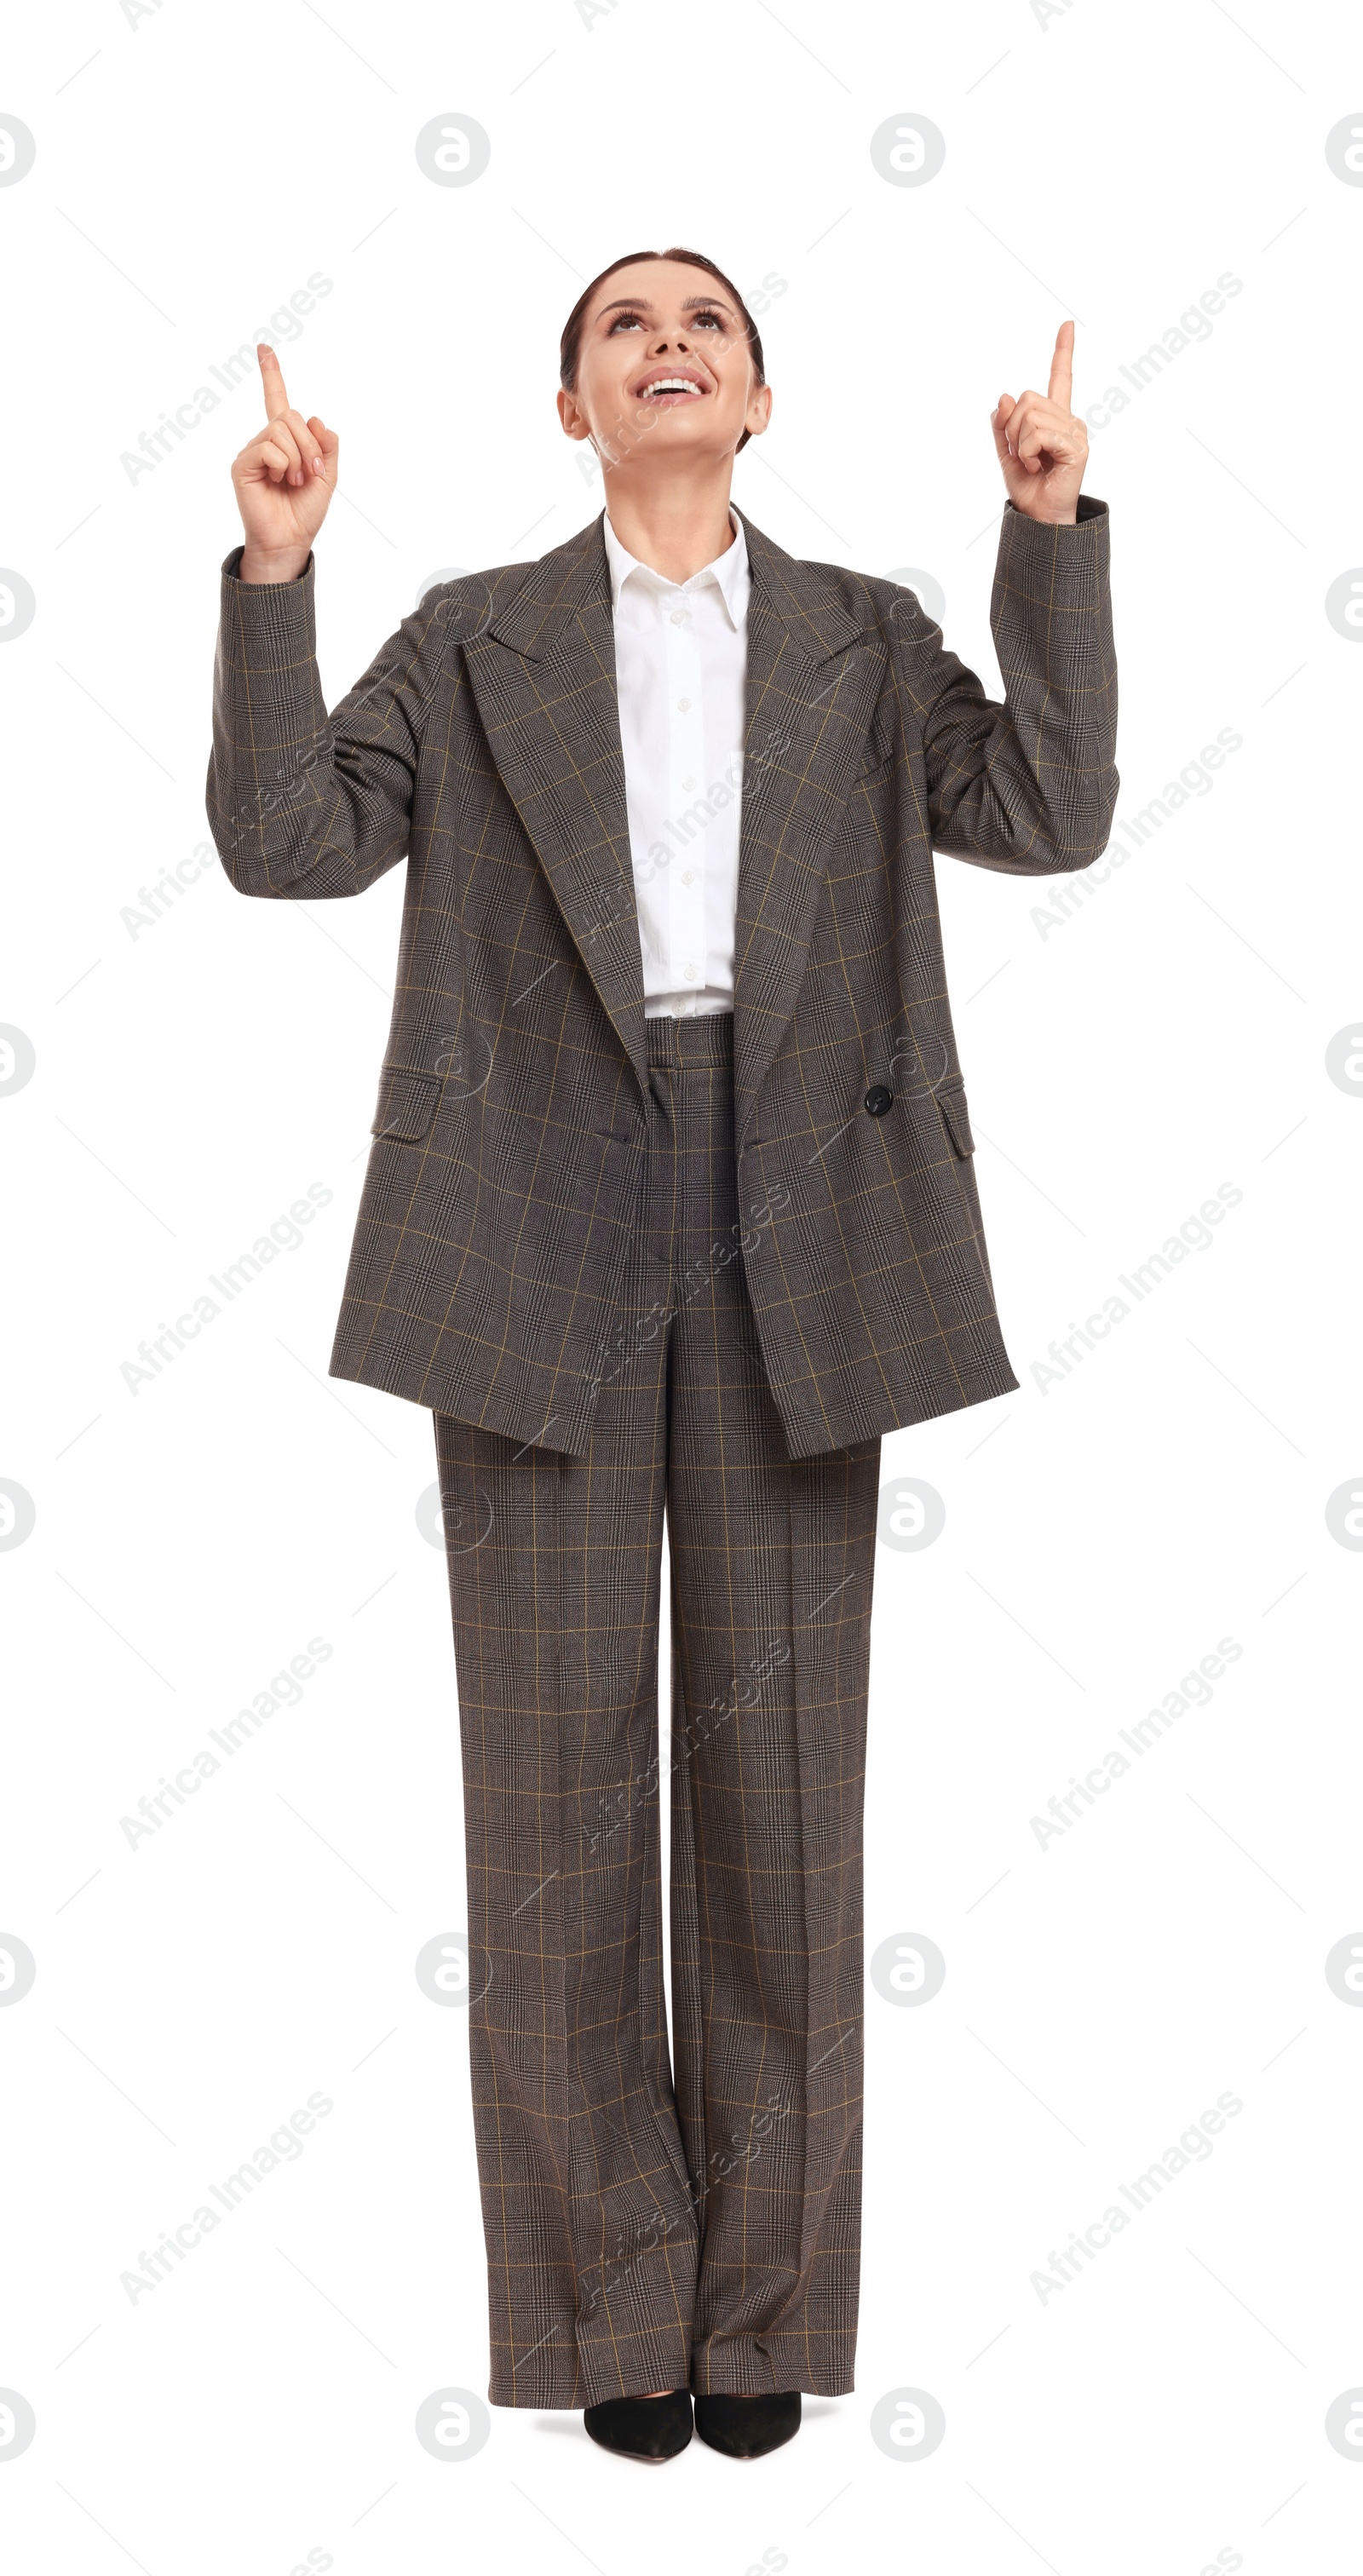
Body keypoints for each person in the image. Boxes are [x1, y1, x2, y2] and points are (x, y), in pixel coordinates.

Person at [208, 244, 1118, 2465]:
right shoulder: (466, 637)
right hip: (532, 1219)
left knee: (784, 1807)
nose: (669, 342)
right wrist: (272, 575)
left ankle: (765, 2318)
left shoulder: (866, 642)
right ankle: (619, 2311)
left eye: (703, 318)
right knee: (552, 1806)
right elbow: (285, 843)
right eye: (625, 327)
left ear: (763, 397)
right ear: (573, 412)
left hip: (805, 1223)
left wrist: (1050, 534)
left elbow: (1050, 811)